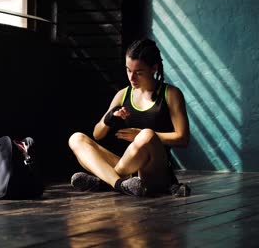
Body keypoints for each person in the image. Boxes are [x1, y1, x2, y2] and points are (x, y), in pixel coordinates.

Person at [68, 38, 191, 197]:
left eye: (138, 72)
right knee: (76, 139)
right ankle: (119, 184)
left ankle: (105, 180)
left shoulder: (171, 94)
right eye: (128, 70)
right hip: (127, 169)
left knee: (146, 135)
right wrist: (108, 119)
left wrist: (140, 135)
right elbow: (97, 134)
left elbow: (183, 138)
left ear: (153, 68)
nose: (131, 77)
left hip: (155, 171)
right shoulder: (123, 94)